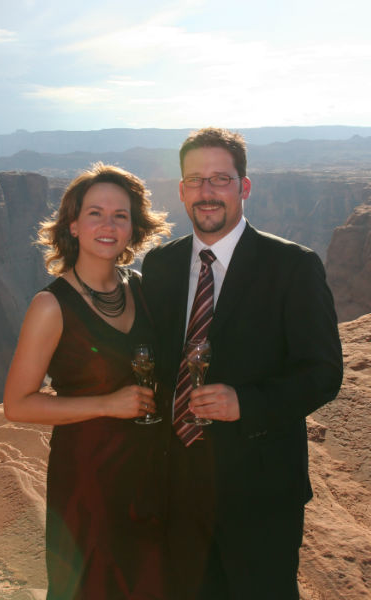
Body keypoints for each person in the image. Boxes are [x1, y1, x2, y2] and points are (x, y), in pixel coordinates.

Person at [141, 127, 343, 600]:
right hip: (177, 489)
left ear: (244, 186)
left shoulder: (292, 266)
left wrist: (246, 403)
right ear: (181, 190)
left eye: (220, 179)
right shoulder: (161, 265)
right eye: (196, 180)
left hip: (261, 494)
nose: (207, 192)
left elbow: (323, 373)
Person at [3, 162, 171, 600]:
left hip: (151, 477)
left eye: (120, 215)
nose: (108, 225)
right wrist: (106, 404)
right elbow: (17, 404)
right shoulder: (50, 306)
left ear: (133, 228)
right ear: (73, 225)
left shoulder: (141, 289)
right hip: (88, 485)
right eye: (95, 213)